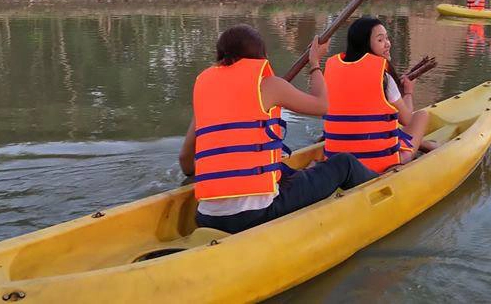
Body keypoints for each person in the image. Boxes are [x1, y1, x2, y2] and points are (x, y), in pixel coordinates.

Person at [178, 25, 378, 234]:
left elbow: (185, 159)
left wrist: (212, 179)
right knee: (344, 163)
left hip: (206, 217)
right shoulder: (268, 84)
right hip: (256, 215)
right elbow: (322, 105)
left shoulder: (206, 92)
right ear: (261, 56)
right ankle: (384, 186)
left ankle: (305, 174)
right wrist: (315, 63)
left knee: (283, 171)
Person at [321, 16, 431, 172]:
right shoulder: (383, 75)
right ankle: (424, 145)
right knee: (421, 115)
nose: (388, 44)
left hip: (336, 162)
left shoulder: (331, 69)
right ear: (365, 44)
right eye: (380, 40)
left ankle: (426, 144)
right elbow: (406, 119)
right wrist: (408, 92)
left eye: (387, 38)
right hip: (379, 163)